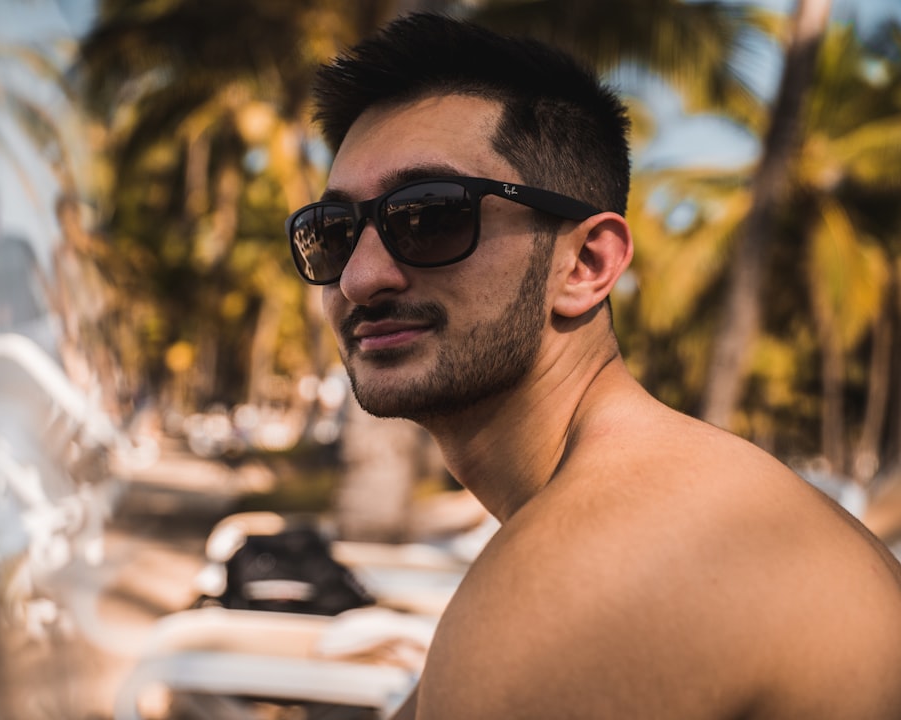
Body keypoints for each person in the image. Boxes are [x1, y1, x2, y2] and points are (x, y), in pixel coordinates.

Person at [285, 12, 901, 720]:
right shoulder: (640, 509)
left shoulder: (589, 575)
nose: (361, 278)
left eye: (430, 216)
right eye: (329, 234)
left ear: (586, 264)